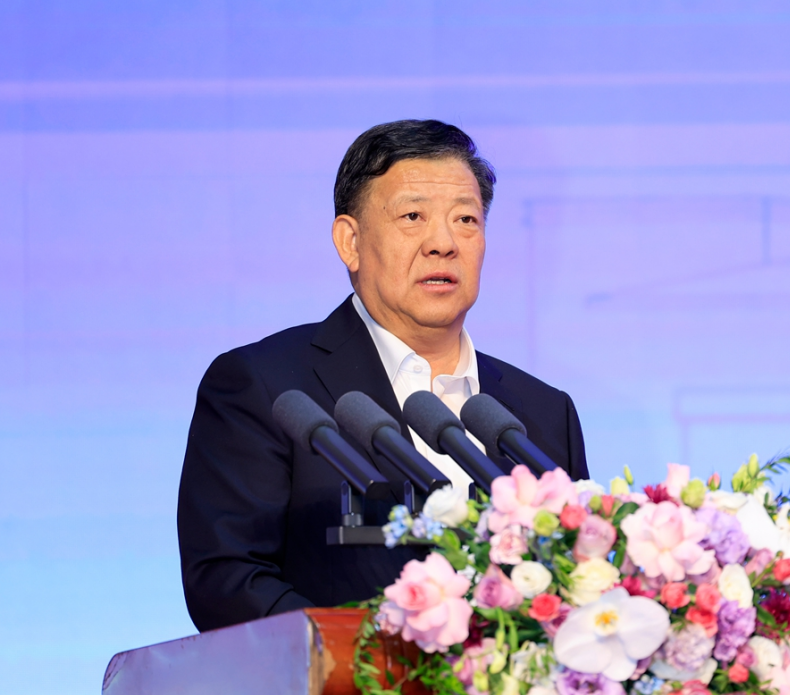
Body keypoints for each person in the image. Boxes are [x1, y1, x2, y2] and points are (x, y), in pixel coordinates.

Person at [177, 120, 590, 633]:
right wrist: (376, 659)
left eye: (466, 219)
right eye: (413, 216)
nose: (443, 243)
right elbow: (228, 582)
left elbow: (576, 576)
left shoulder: (544, 413)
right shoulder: (266, 386)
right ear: (349, 242)